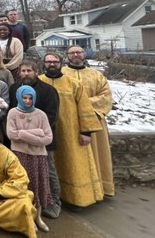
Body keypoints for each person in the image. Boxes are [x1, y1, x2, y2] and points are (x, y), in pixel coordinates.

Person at [40, 52, 103, 209]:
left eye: (55, 61)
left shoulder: (73, 83)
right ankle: (52, 196)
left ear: (61, 63)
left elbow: (84, 108)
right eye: (48, 62)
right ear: (44, 64)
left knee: (72, 162)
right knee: (51, 166)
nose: (52, 64)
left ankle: (76, 198)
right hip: (46, 130)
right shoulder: (39, 81)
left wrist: (86, 131)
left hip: (70, 130)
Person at [62, 45, 115, 197]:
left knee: (98, 155)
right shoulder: (62, 74)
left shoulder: (96, 75)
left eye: (78, 52)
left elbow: (105, 97)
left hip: (94, 122)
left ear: (84, 54)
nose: (75, 55)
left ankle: (100, 189)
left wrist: (81, 104)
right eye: (72, 53)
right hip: (69, 122)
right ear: (67, 56)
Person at [6, 86, 52, 233]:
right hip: (20, 155)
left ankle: (38, 217)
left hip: (39, 157)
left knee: (38, 185)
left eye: (30, 98)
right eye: (25, 98)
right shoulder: (13, 113)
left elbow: (48, 138)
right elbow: (11, 134)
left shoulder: (41, 115)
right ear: (20, 97)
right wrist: (37, 133)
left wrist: (23, 134)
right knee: (24, 186)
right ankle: (27, 217)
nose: (27, 101)